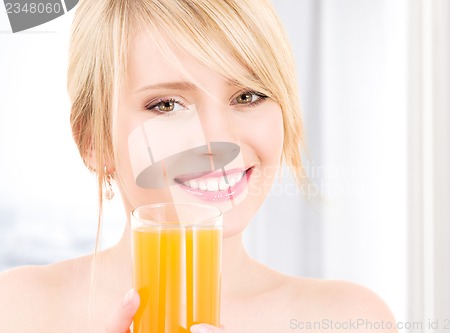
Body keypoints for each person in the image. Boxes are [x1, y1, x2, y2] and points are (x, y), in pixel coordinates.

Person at [0, 0, 397, 332]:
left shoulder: (349, 318)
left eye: (248, 96)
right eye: (167, 105)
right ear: (93, 140)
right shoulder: (18, 311)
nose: (217, 140)